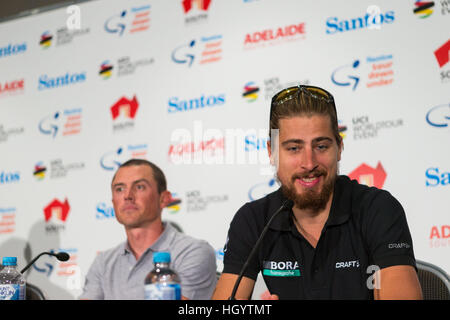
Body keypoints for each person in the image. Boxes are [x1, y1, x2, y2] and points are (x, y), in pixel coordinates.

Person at [212, 85, 422, 300]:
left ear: (339, 148)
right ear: (271, 152)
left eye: (321, 146)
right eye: (294, 148)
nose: (309, 163)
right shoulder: (253, 220)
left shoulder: (378, 208)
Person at [79, 159, 217, 299]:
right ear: (113, 202)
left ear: (163, 199)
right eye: (120, 189)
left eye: (139, 187)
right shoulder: (103, 262)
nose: (127, 196)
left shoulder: (192, 252)